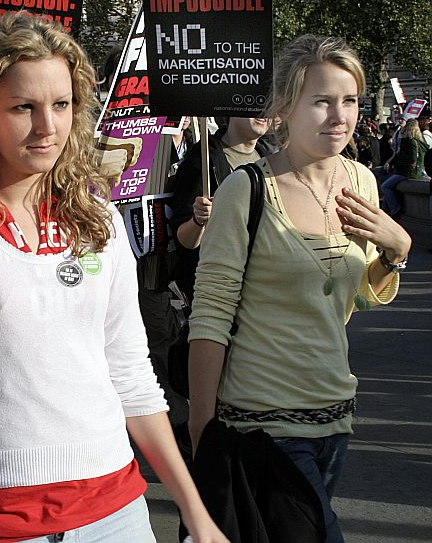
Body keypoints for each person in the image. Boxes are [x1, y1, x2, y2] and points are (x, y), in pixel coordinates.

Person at [0, 13, 228, 543]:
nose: (47, 127)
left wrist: (196, 512)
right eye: (23, 107)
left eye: (61, 104)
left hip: (112, 507)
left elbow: (130, 373)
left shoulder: (99, 219)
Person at [187, 34, 411, 543]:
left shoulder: (361, 182)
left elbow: (357, 297)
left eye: (349, 100)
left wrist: (396, 250)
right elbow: (211, 314)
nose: (339, 115)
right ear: (285, 107)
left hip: (336, 416)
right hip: (263, 422)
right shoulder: (245, 189)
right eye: (322, 101)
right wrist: (202, 428)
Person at [169, 116, 271, 304]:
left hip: (264, 288)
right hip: (219, 292)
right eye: (252, 101)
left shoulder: (272, 157)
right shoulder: (202, 159)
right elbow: (184, 241)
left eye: (267, 102)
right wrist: (198, 220)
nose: (263, 111)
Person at [380, 118, 428, 218]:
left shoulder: (411, 142)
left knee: (385, 186)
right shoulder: (418, 141)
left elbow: (412, 159)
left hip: (407, 172)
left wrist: (398, 165)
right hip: (409, 171)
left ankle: (395, 209)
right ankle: (386, 211)